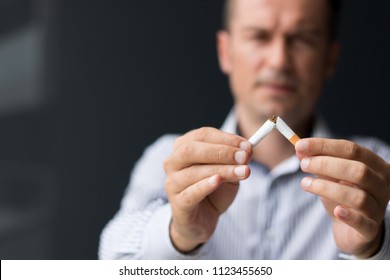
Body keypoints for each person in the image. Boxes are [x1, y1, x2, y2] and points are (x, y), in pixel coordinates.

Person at [98, 0, 390, 259]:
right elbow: (113, 258)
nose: (279, 60)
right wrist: (179, 234)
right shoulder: (172, 158)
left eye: (302, 39)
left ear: (330, 59)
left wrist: (373, 248)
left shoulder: (374, 168)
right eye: (259, 37)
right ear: (225, 51)